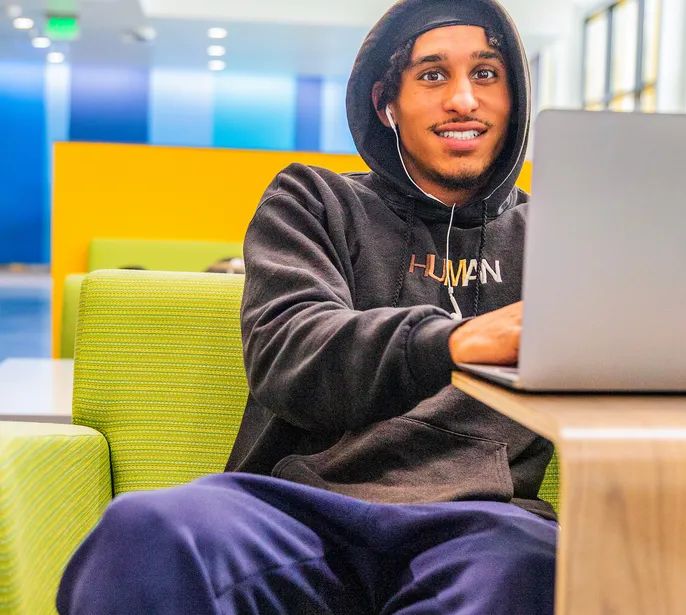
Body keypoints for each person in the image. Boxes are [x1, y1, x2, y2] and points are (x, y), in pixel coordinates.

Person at [56, 1, 557, 613]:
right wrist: (454, 342)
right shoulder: (313, 200)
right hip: (297, 508)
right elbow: (292, 352)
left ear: (515, 99)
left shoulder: (555, 236)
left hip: (482, 523)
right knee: (149, 528)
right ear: (386, 104)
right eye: (432, 75)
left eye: (485, 74)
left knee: (531, 569)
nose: (463, 99)